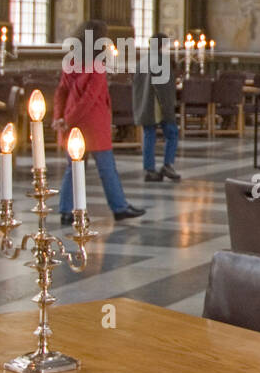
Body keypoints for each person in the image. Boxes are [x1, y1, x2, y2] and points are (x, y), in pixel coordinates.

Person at [53, 19, 147, 224]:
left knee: (74, 167)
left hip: (72, 122)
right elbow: (89, 98)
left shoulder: (71, 61)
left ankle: (67, 209)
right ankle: (119, 207)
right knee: (106, 168)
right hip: (92, 124)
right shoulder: (97, 66)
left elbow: (61, 91)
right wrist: (67, 119)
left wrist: (60, 118)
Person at [132, 31, 180, 182]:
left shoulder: (142, 61)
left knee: (149, 136)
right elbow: (164, 88)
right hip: (159, 105)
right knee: (172, 133)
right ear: (161, 46)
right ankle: (168, 164)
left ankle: (149, 169)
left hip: (145, 105)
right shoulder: (161, 61)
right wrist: (170, 107)